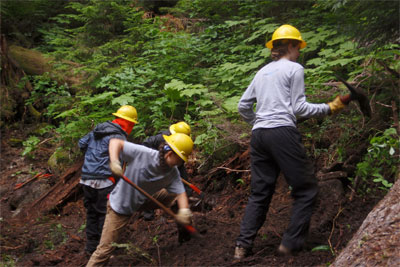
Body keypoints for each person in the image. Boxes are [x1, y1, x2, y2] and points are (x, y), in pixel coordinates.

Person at [234, 24, 349, 259]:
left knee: (260, 192)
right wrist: (331, 107)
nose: (299, 52)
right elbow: (299, 108)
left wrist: (258, 122)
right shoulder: (294, 69)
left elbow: (242, 106)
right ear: (291, 45)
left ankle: (242, 247)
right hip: (282, 134)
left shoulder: (262, 72)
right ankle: (290, 244)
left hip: (259, 136)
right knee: (306, 189)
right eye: (298, 47)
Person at [86, 133, 194, 267]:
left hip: (144, 199)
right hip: (120, 206)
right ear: (170, 153)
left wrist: (184, 211)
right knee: (104, 251)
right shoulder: (144, 154)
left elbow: (181, 193)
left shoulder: (172, 173)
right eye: (180, 158)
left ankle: (187, 239)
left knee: (178, 200)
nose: (181, 162)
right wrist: (114, 161)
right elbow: (115, 142)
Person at [79, 105, 138, 255]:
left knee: (91, 213)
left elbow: (81, 144)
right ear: (128, 123)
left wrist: (93, 158)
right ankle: (103, 249)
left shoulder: (97, 130)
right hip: (104, 181)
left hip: (86, 179)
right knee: (104, 214)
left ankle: (90, 248)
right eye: (132, 124)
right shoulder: (119, 136)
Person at [141, 121, 193, 221]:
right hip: (157, 162)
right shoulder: (161, 138)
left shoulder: (181, 142)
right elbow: (144, 145)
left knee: (180, 171)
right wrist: (156, 157)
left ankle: (187, 196)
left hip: (172, 158)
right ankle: (148, 215)